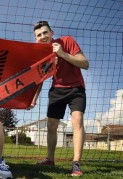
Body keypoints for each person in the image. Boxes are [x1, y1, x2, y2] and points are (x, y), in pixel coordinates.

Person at [32, 21, 89, 176]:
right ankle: (50, 159)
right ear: (35, 39)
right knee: (51, 125)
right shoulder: (41, 53)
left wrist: (62, 54)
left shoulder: (67, 41)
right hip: (57, 90)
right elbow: (40, 79)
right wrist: (34, 98)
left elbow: (85, 64)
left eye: (45, 33)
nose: (42, 37)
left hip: (76, 88)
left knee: (77, 120)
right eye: (39, 35)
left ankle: (76, 164)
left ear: (52, 33)